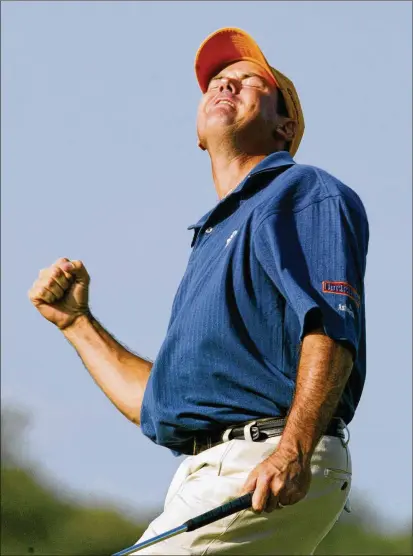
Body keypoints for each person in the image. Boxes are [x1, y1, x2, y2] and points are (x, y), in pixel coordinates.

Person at [29, 27, 369, 555]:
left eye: (250, 81)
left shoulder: (301, 191)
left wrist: (293, 451)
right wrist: (77, 324)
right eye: (217, 81)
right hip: (210, 471)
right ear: (197, 133)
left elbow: (329, 328)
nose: (225, 85)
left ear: (284, 126)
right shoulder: (211, 239)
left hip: (264, 462)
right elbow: (160, 407)